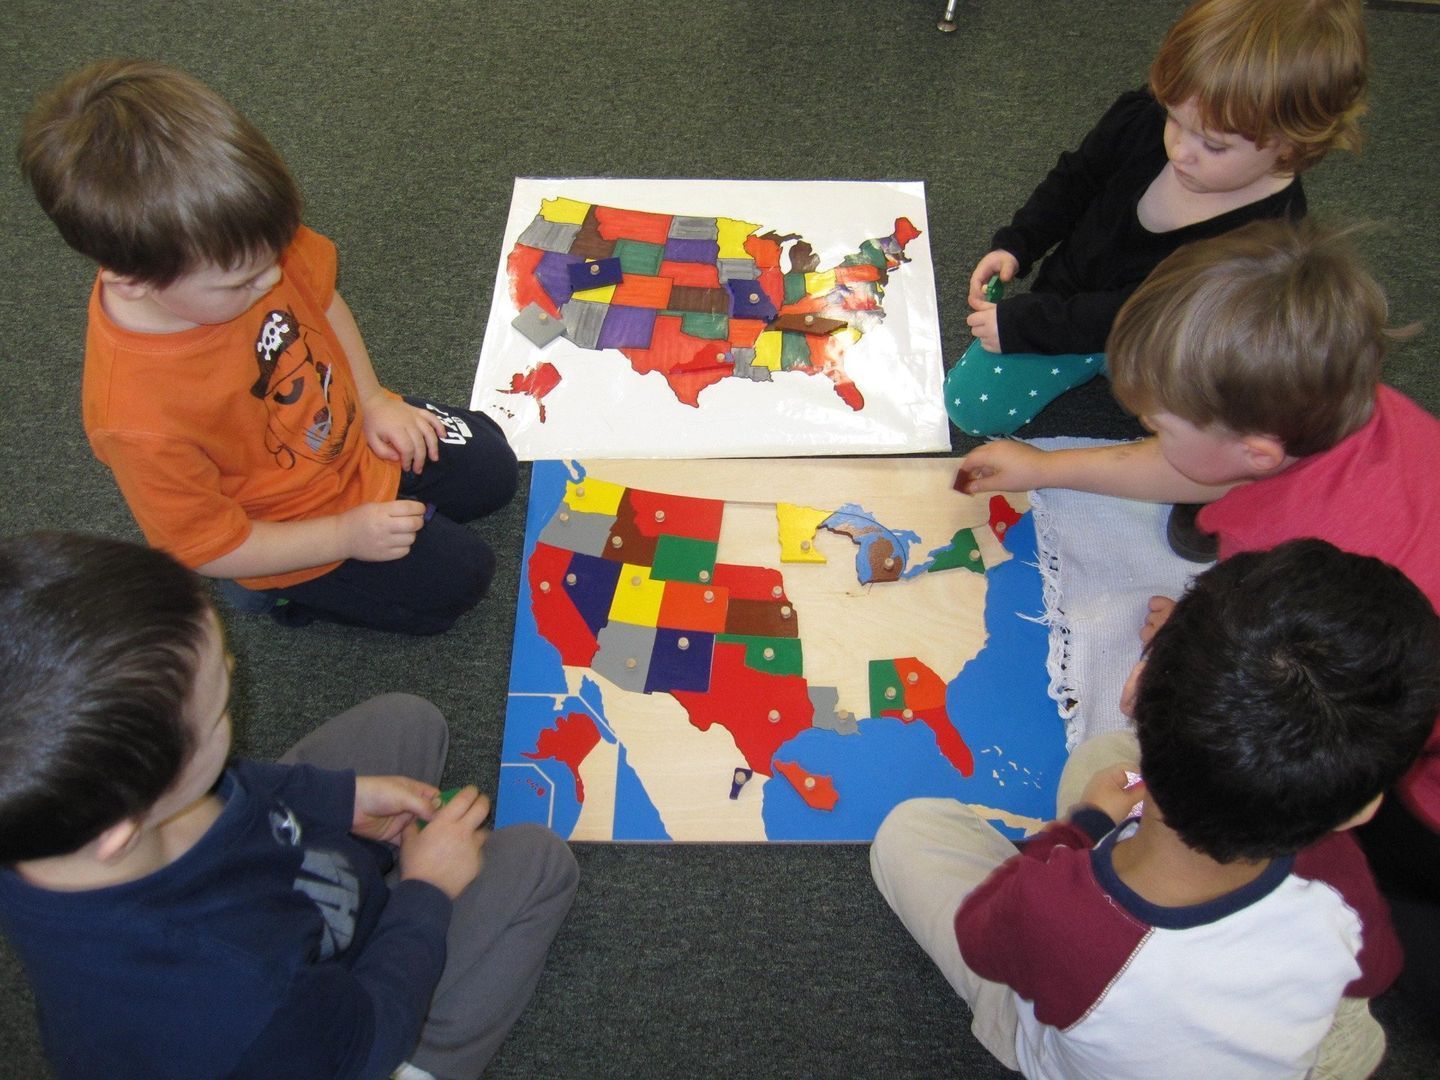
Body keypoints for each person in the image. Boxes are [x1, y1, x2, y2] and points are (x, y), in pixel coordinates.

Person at [957, 216, 1440, 1025]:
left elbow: (1335, 716)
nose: (1147, 432)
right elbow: (1201, 465)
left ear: (1254, 452)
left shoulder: (1314, 561)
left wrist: (1202, 654)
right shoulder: (1324, 408)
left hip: (1412, 777)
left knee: (1379, 918)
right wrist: (1046, 466)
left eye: (1160, 425)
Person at [0, 532, 578, 1079]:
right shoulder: (227, 994)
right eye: (221, 710)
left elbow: (235, 782)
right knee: (539, 863)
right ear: (124, 827)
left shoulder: (56, 811)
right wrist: (427, 890)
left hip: (293, 909)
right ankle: (428, 1064)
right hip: (348, 1039)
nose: (234, 674)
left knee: (407, 721)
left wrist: (343, 798)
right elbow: (367, 1034)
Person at [872, 540, 1440, 1077]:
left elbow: (984, 937)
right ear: (1360, 810)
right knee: (1105, 759)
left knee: (909, 831)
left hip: (1085, 1029)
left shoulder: (1060, 916)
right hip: (1295, 1051)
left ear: (1134, 688)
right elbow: (1375, 972)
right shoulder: (1339, 870)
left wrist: (1083, 829)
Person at [18, 59, 517, 635]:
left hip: (349, 434)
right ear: (131, 279)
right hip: (291, 526)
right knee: (461, 581)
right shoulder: (135, 417)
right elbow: (204, 546)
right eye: (242, 283)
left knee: (493, 470)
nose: (271, 280)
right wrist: (345, 535)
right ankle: (277, 597)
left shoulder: (242, 244)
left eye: (274, 258)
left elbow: (324, 303)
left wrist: (376, 399)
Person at [946, 0, 1367, 437]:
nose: (1180, 150)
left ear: (1290, 146)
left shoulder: (1271, 239)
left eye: (1214, 145)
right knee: (969, 406)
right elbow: (1075, 180)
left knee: (1225, 426)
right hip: (1068, 297)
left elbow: (1147, 313)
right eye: (1175, 119)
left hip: (1160, 335)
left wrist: (1027, 325)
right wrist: (1017, 242)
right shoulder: (1147, 118)